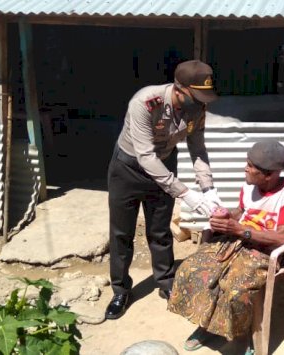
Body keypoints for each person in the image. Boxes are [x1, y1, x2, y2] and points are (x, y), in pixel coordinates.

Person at [105, 59, 223, 320]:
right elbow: (145, 155)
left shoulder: (196, 108)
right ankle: (120, 290)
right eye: (196, 96)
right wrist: (184, 193)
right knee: (121, 233)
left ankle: (166, 282)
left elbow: (197, 148)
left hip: (164, 165)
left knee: (159, 231)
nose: (200, 102)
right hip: (128, 168)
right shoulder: (146, 102)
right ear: (178, 88)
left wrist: (207, 187)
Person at [167, 140, 284, 352]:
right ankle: (206, 324)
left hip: (264, 252)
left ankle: (246, 337)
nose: (245, 168)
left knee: (236, 290)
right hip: (235, 243)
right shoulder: (249, 186)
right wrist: (228, 216)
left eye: (251, 166)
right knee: (191, 271)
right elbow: (242, 210)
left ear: (269, 175)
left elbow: (283, 237)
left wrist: (239, 230)